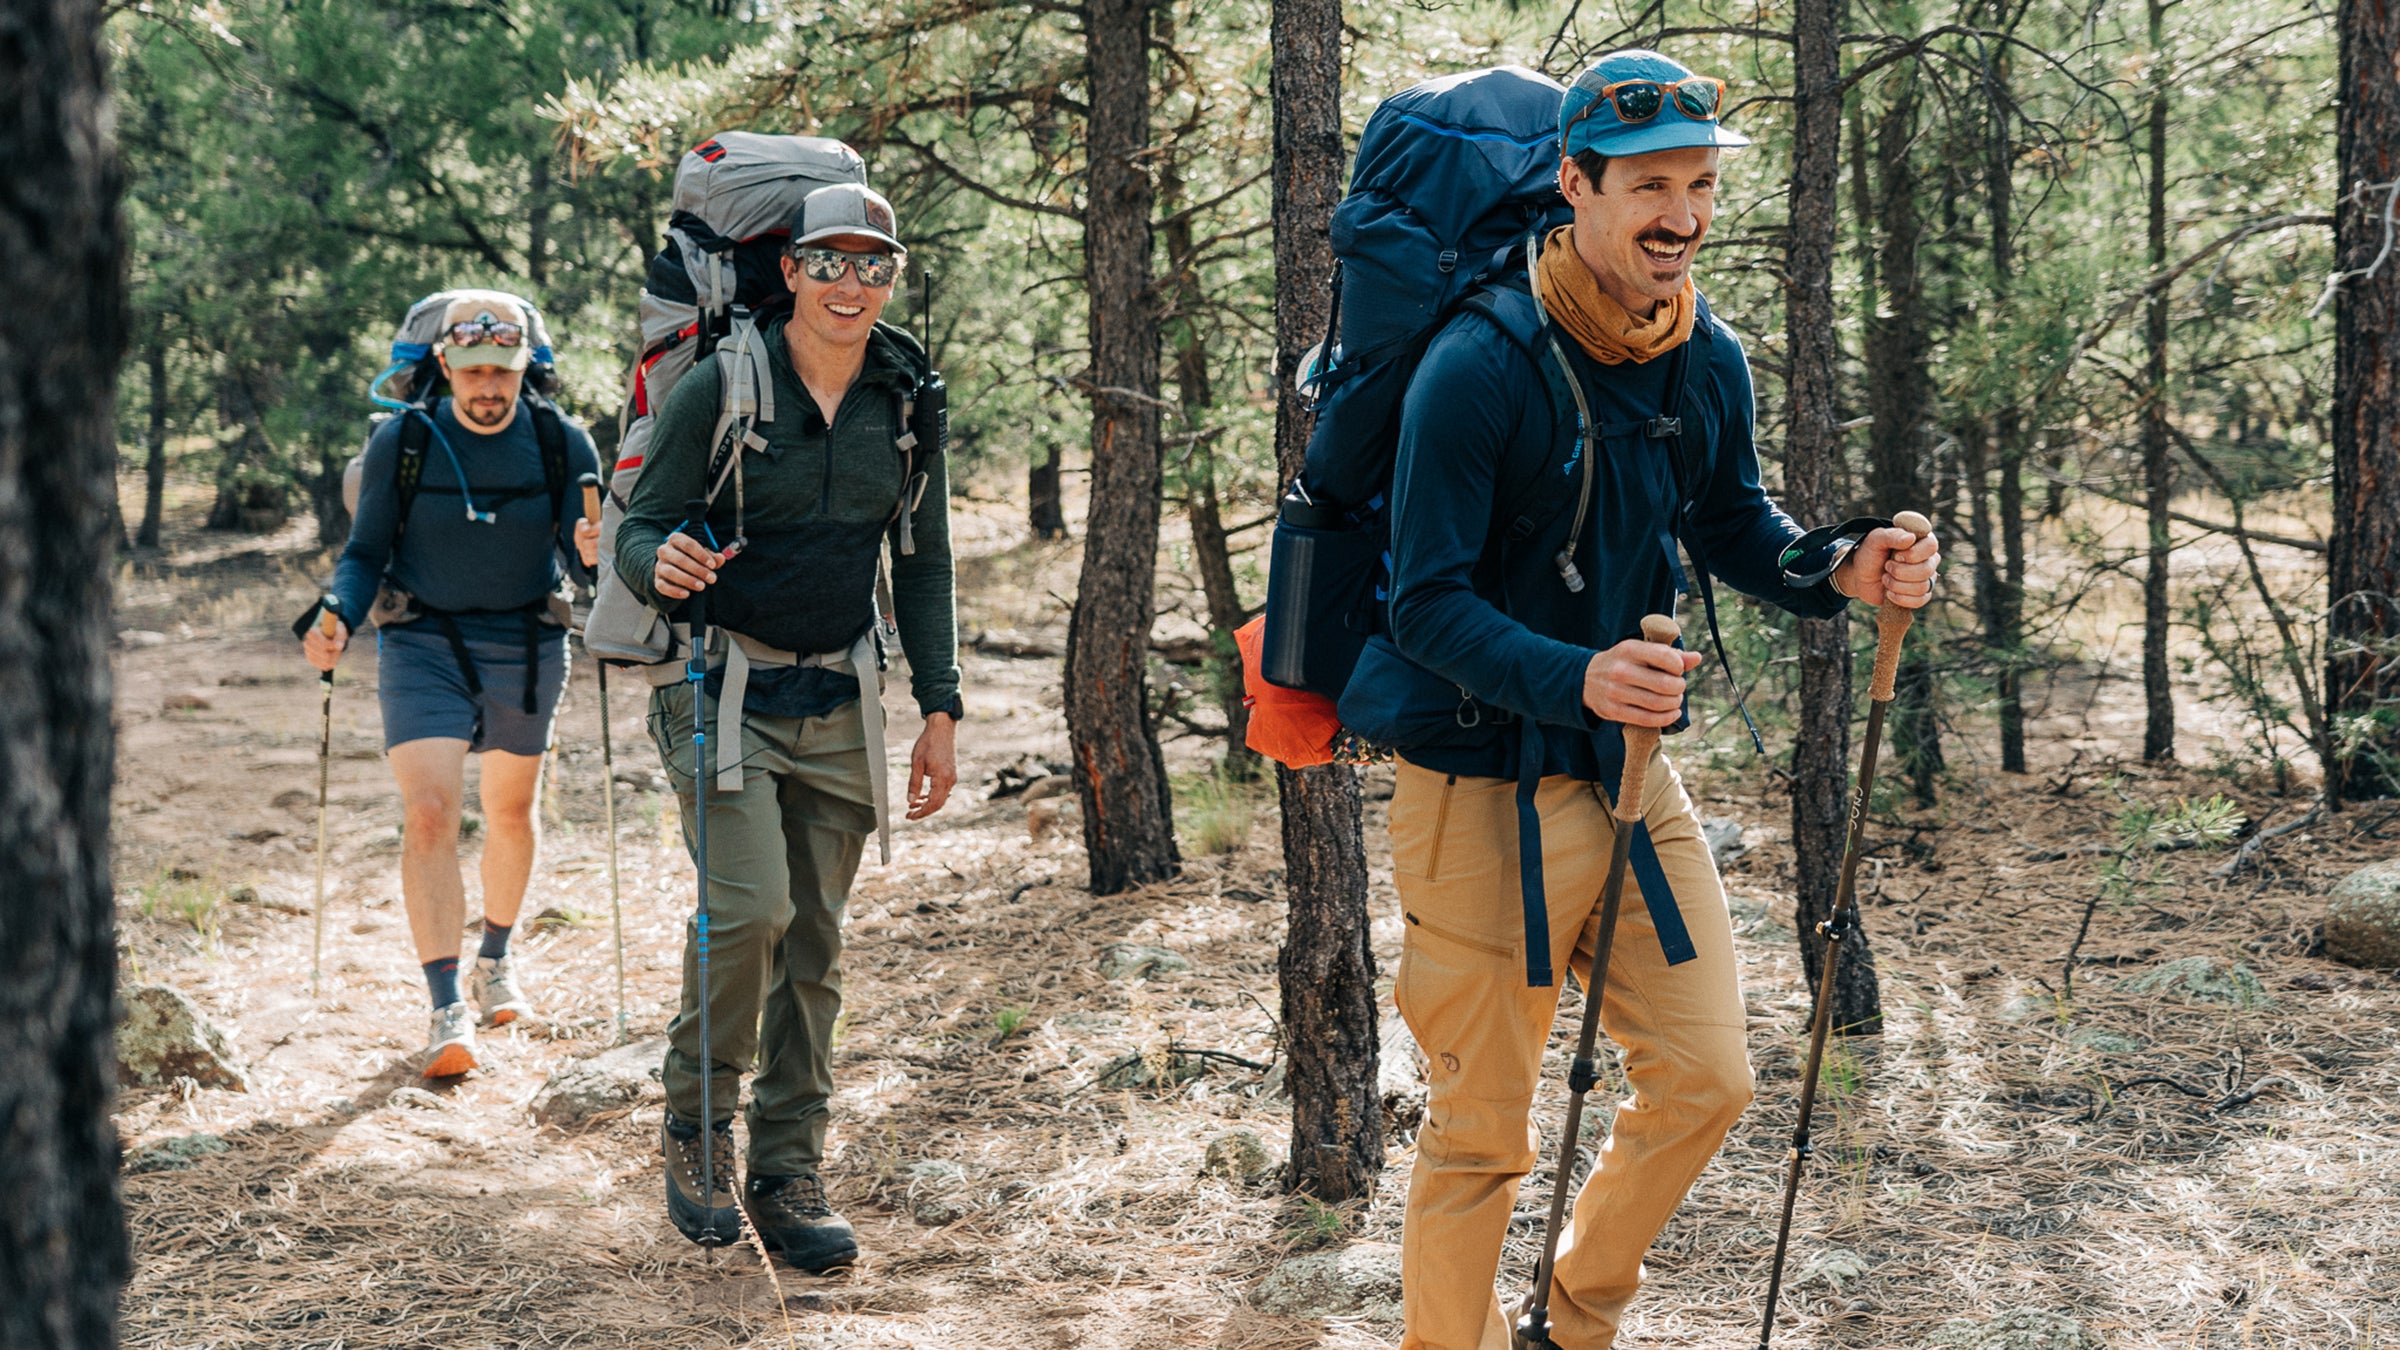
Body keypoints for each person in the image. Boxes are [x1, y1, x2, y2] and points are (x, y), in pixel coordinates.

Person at [1351, 50, 1941, 1349]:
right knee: (1481, 1139)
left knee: (1707, 1079)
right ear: (1576, 186)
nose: (1680, 214)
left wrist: (1844, 563)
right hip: (1476, 799)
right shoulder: (1477, 366)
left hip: (1631, 786)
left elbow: (1736, 523)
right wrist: (1580, 673)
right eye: (1649, 187)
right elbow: (1422, 605)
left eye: (1698, 183)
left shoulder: (1699, 354)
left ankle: (1574, 1318)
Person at [613, 182, 961, 1272]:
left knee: (815, 943)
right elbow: (644, 522)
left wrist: (940, 704)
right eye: (830, 261)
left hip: (842, 695)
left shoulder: (906, 399)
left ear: (891, 278)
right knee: (750, 912)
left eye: (874, 264)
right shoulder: (722, 383)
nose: (851, 282)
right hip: (720, 688)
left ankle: (786, 1166)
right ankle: (697, 1126)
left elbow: (925, 559)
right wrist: (656, 561)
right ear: (792, 272)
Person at [303, 290, 602, 1079]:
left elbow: (587, 564)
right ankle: (446, 1008)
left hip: (528, 641)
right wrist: (336, 609)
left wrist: (599, 553)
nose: (488, 386)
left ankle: (496, 959)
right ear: (445, 365)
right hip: (422, 639)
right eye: (471, 369)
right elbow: (365, 551)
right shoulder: (402, 441)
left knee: (510, 811)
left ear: (522, 367)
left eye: (502, 369)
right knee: (431, 814)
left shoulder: (560, 441)